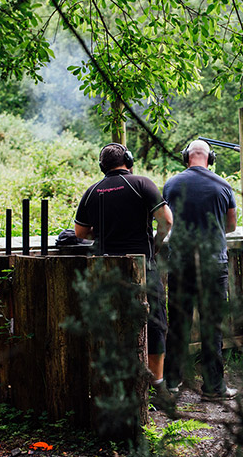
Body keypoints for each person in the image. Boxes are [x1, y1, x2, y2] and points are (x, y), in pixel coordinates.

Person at [73, 142, 174, 405]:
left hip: (106, 269)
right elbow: (167, 220)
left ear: (101, 166)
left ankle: (116, 384)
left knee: (111, 325)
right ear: (128, 161)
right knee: (155, 324)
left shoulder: (92, 191)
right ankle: (158, 386)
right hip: (142, 267)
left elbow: (80, 233)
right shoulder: (142, 184)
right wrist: (155, 245)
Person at [162, 140, 238, 401]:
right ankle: (214, 388)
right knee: (212, 326)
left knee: (178, 325)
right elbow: (231, 226)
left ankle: (171, 384)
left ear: (186, 158)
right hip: (213, 264)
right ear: (210, 158)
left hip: (181, 263)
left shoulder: (171, 184)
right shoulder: (223, 185)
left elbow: (166, 220)